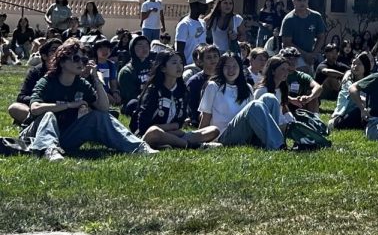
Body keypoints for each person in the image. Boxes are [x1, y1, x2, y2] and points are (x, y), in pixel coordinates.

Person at [26, 40, 158, 160]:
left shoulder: (81, 84)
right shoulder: (47, 81)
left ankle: (138, 146)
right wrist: (69, 105)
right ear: (62, 62)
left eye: (83, 60)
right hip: (37, 136)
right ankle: (49, 150)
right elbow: (35, 108)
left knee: (98, 116)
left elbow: (104, 108)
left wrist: (96, 79)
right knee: (49, 115)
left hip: (66, 136)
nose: (80, 63)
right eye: (76, 58)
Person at [199, 54, 286, 150]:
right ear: (221, 68)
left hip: (245, 134)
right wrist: (199, 139)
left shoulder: (247, 87)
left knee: (270, 98)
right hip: (224, 135)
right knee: (255, 105)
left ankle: (274, 142)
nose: (231, 70)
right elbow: (206, 116)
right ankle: (278, 145)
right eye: (227, 66)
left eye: (234, 66)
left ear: (240, 68)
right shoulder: (213, 86)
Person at [138, 51, 220, 149]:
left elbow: (180, 122)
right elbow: (144, 127)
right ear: (163, 68)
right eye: (174, 63)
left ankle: (172, 144)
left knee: (214, 130)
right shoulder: (153, 90)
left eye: (181, 62)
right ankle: (192, 146)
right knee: (154, 132)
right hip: (150, 134)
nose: (179, 66)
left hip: (174, 134)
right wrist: (170, 127)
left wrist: (174, 128)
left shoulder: (182, 90)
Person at [9, 37, 62, 127]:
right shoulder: (36, 72)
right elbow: (21, 97)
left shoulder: (66, 70)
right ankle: (41, 123)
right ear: (44, 56)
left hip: (61, 110)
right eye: (54, 50)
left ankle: (35, 124)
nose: (59, 54)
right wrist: (39, 101)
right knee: (14, 108)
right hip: (39, 108)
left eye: (61, 50)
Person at [281, 0, 326, 71]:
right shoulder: (288, 19)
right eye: (299, 0)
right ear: (293, 2)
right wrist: (306, 55)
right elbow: (287, 43)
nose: (302, 3)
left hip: (310, 54)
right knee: (304, 71)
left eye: (304, 0)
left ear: (308, 1)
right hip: (292, 55)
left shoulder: (316, 16)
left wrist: (313, 54)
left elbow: (321, 37)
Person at [332, 52, 373, 129]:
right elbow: (355, 95)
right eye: (353, 63)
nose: (355, 66)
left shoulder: (369, 83)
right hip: (342, 117)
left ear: (366, 66)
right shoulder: (347, 82)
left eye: (359, 64)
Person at [175, 0, 210, 65]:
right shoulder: (184, 24)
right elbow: (179, 51)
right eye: (204, 4)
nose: (207, 7)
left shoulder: (202, 22)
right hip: (188, 66)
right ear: (195, 5)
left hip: (202, 66)